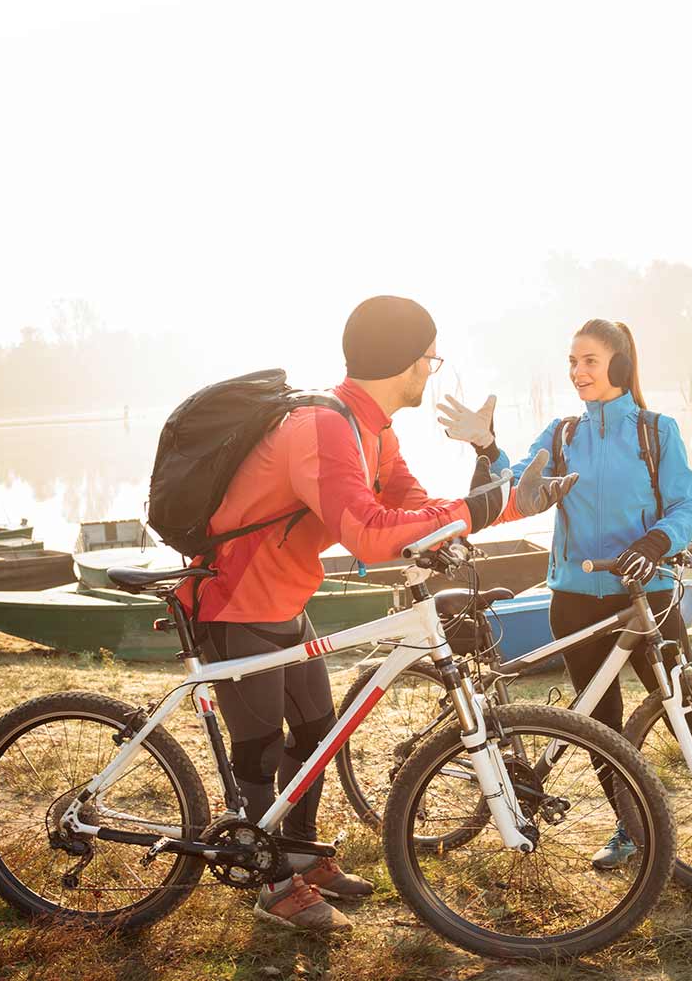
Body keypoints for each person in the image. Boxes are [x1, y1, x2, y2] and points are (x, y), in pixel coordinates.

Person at [181, 295, 576, 933]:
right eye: (429, 357)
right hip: (235, 601)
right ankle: (272, 881)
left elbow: (411, 504)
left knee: (315, 734)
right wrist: (489, 508)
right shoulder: (323, 425)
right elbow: (367, 534)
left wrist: (466, 521)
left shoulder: (374, 429)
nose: (431, 370)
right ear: (404, 360)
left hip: (283, 598)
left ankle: (302, 854)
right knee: (258, 747)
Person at [436, 319, 692, 879]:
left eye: (590, 361)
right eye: (572, 361)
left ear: (619, 364)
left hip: (650, 596)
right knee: (602, 725)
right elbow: (519, 495)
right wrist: (486, 444)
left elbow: (686, 505)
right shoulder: (561, 434)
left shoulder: (655, 431)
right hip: (574, 599)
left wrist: (656, 542)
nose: (578, 372)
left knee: (685, 716)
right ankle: (629, 827)